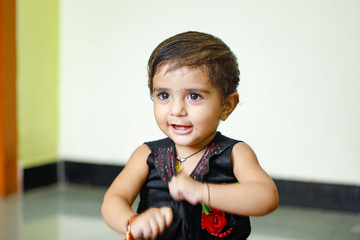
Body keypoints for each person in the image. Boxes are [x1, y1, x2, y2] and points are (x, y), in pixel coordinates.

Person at [101, 31, 279, 240]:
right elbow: (114, 199)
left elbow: (266, 197)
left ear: (227, 105)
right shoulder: (146, 155)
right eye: (164, 95)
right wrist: (132, 222)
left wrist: (203, 192)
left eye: (194, 96)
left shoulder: (235, 154)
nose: (177, 110)